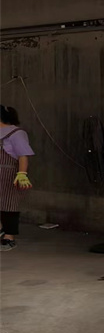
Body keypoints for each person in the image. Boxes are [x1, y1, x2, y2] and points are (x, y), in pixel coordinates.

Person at [0, 105, 34, 251]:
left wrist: (22, 174)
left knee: (9, 205)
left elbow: (23, 155)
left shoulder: (16, 133)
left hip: (9, 174)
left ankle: (9, 237)